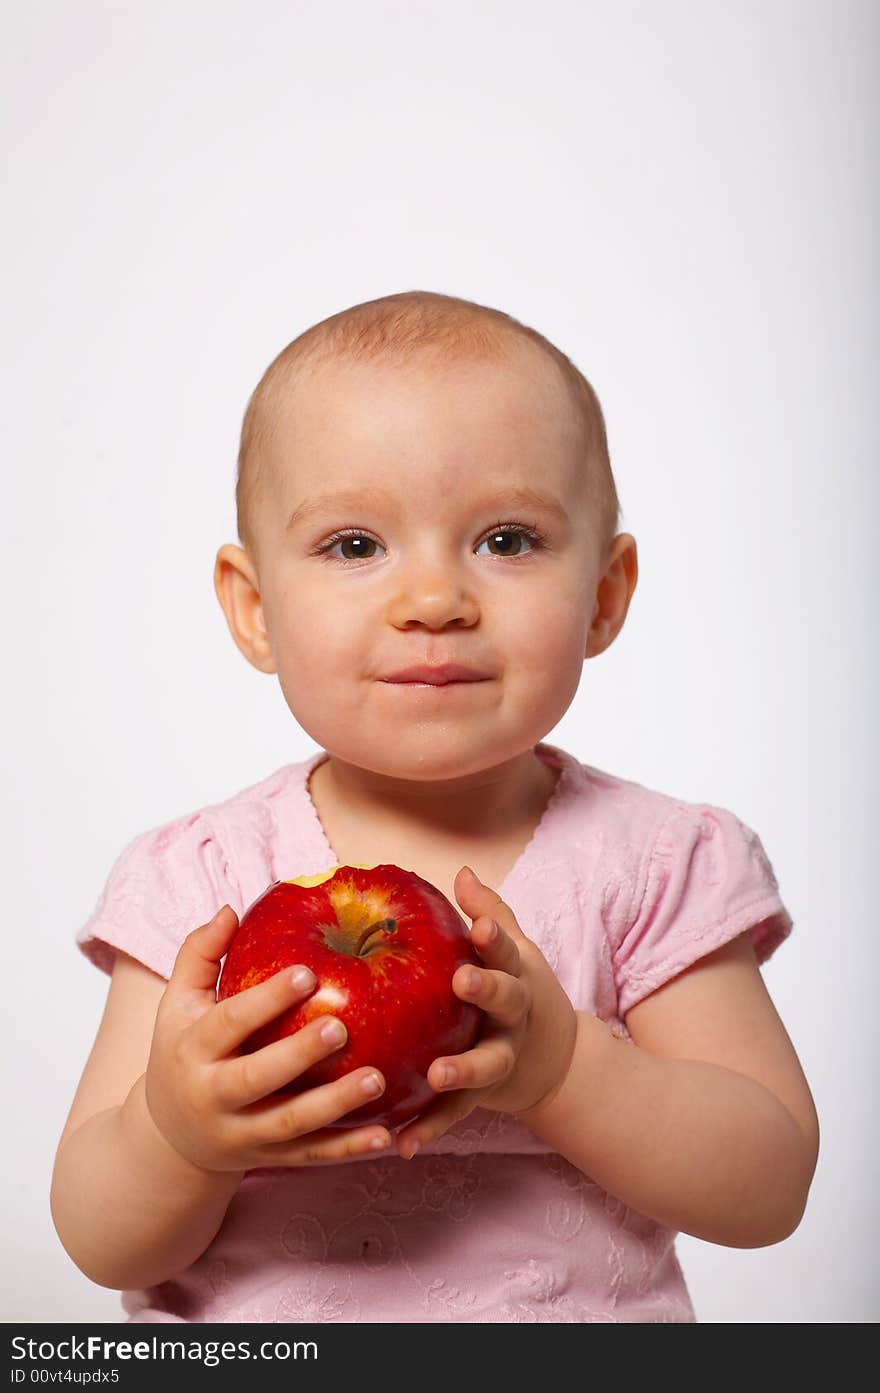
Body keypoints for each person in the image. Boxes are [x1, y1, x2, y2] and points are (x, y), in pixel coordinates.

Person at [50, 289, 819, 1324]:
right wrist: (178, 1133)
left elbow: (766, 1186)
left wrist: (562, 1065)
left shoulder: (655, 863)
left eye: (505, 540)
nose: (432, 599)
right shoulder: (201, 880)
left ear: (603, 592)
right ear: (254, 608)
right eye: (354, 545)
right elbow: (100, 1237)